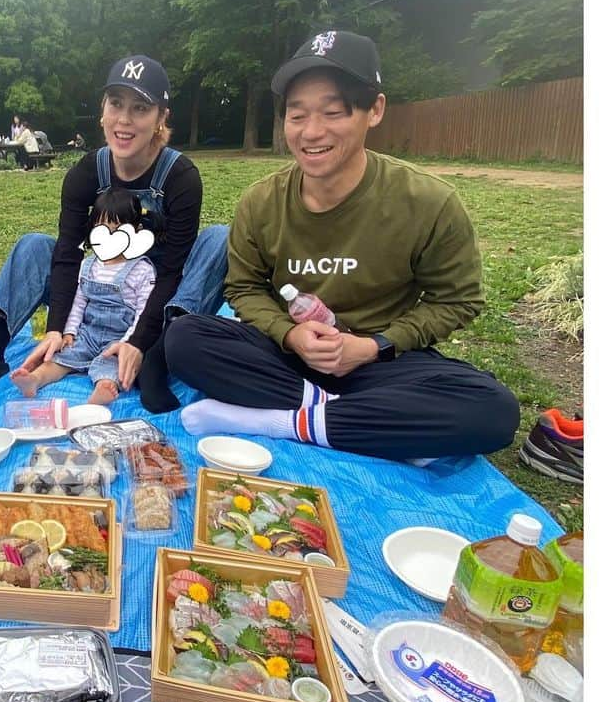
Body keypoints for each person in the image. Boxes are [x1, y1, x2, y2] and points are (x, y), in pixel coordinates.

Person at [165, 30, 520, 463]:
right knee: (184, 338)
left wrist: (374, 346)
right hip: (287, 359)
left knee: (494, 411)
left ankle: (279, 421)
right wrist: (292, 335)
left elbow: (457, 301)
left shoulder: (428, 202)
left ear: (375, 110)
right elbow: (244, 289)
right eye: (297, 116)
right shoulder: (261, 201)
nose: (312, 132)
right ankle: (360, 423)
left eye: (333, 112)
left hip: (379, 364)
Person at [0, 54, 230, 411]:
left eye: (140, 108)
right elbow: (68, 254)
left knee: (219, 238)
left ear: (160, 119)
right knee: (34, 246)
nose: (124, 120)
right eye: (116, 104)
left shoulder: (180, 177)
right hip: (97, 288)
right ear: (102, 111)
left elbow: (172, 271)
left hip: (155, 296)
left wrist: (140, 340)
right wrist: (58, 328)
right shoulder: (85, 174)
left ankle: (157, 359)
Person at [10, 189, 156, 406]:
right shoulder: (89, 265)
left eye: (118, 230)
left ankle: (103, 390)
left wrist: (130, 342)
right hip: (88, 333)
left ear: (135, 231)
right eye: (103, 228)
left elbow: (144, 311)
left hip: (119, 338)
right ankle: (35, 379)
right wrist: (69, 331)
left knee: (112, 366)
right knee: (63, 356)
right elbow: (79, 302)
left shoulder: (141, 270)